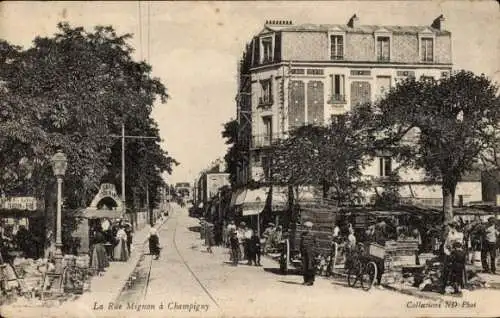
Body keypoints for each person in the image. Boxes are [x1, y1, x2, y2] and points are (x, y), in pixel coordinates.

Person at [442, 221, 465, 294]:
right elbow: (446, 244)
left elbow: (458, 243)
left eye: (452, 226)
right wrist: (448, 252)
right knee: (450, 271)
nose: (451, 228)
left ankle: (457, 285)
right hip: (450, 253)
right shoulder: (450, 234)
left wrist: (453, 248)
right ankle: (450, 285)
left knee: (456, 272)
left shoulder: (460, 234)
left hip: (456, 254)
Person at [300, 221, 317, 286]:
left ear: (311, 228)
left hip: (311, 253)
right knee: (304, 267)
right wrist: (300, 252)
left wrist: (314, 252)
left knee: (310, 267)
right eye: (306, 227)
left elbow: (315, 244)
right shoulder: (302, 234)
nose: (307, 229)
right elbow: (301, 244)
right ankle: (305, 280)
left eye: (309, 228)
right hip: (304, 252)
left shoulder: (313, 235)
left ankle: (310, 281)